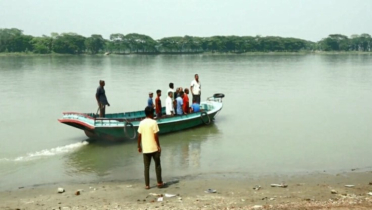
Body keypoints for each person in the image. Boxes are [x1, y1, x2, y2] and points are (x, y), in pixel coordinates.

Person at [137, 106, 163, 189]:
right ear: (151, 113)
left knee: (146, 167)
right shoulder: (153, 122)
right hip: (154, 147)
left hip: (146, 148)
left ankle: (147, 185)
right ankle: (159, 182)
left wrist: (139, 146)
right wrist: (158, 146)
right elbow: (155, 135)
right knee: (157, 165)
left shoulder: (141, 123)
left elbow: (139, 135)